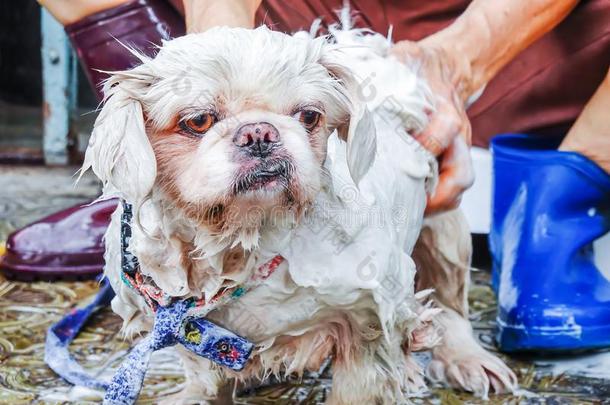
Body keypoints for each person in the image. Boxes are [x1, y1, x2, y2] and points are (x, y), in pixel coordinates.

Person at [6, 0, 609, 311]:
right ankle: (163, 187)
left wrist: (452, 67)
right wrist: (212, 64)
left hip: (511, 43)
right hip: (286, 27)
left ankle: (551, 233)